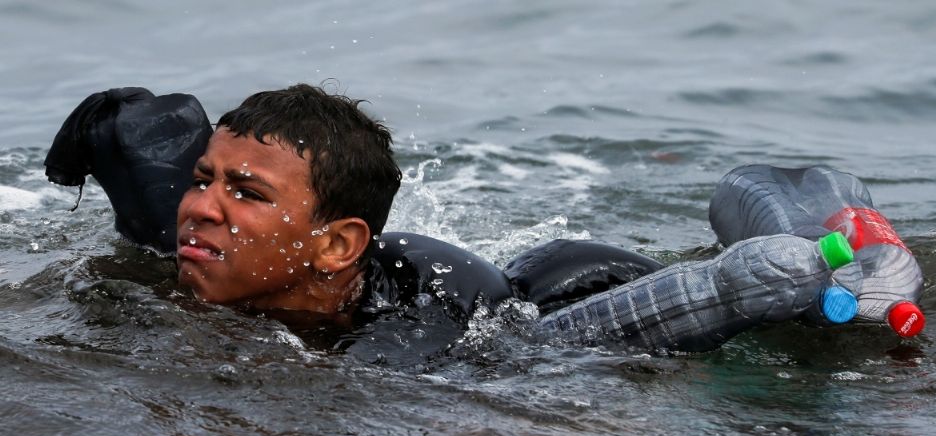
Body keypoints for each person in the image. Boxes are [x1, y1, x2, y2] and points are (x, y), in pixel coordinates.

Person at [44, 85, 662, 333]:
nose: (202, 208)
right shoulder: (187, 235)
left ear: (336, 245)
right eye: (204, 179)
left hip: (571, 286)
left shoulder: (419, 333)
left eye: (248, 194)